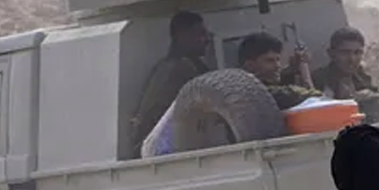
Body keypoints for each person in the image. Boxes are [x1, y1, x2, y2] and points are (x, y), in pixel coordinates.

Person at [129, 10, 214, 148]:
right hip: (160, 148)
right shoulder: (182, 68)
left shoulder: (167, 66)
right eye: (200, 34)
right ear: (183, 37)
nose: (206, 40)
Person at [312, 26, 379, 122]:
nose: (352, 59)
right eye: (345, 53)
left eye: (357, 53)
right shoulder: (318, 80)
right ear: (331, 54)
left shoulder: (362, 77)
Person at [235, 32, 321, 110]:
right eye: (269, 61)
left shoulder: (239, 89)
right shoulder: (267, 94)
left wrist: (292, 68)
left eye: (278, 59)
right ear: (250, 65)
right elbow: (316, 99)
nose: (278, 65)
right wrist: (304, 67)